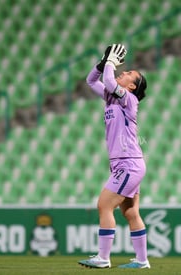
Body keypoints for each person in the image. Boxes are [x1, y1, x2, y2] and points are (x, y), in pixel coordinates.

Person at [78, 44, 150, 269]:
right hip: (127, 164)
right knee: (130, 212)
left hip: (128, 164)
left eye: (129, 74)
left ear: (131, 86)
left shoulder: (129, 99)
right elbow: (91, 81)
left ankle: (103, 258)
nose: (124, 71)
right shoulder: (112, 98)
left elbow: (109, 81)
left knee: (104, 205)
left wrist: (110, 62)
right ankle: (142, 261)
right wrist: (101, 64)